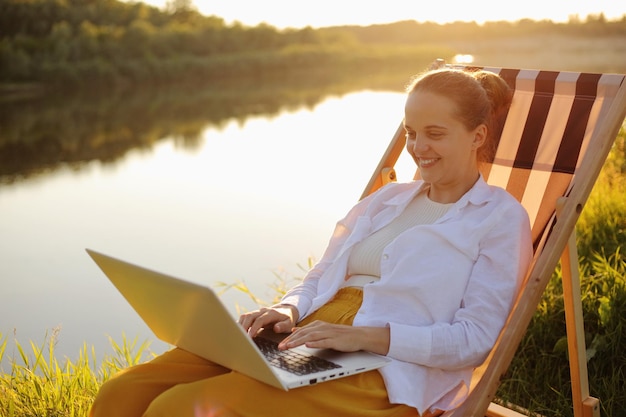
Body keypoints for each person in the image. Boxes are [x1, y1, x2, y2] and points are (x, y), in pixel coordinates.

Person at [89, 67, 533, 417]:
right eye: (411, 132)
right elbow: (321, 275)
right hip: (311, 336)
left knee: (178, 410)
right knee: (123, 392)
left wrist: (361, 336)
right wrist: (288, 309)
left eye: (435, 133)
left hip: (385, 369)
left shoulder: (499, 218)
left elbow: (473, 340)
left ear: (477, 136)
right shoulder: (388, 198)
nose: (418, 147)